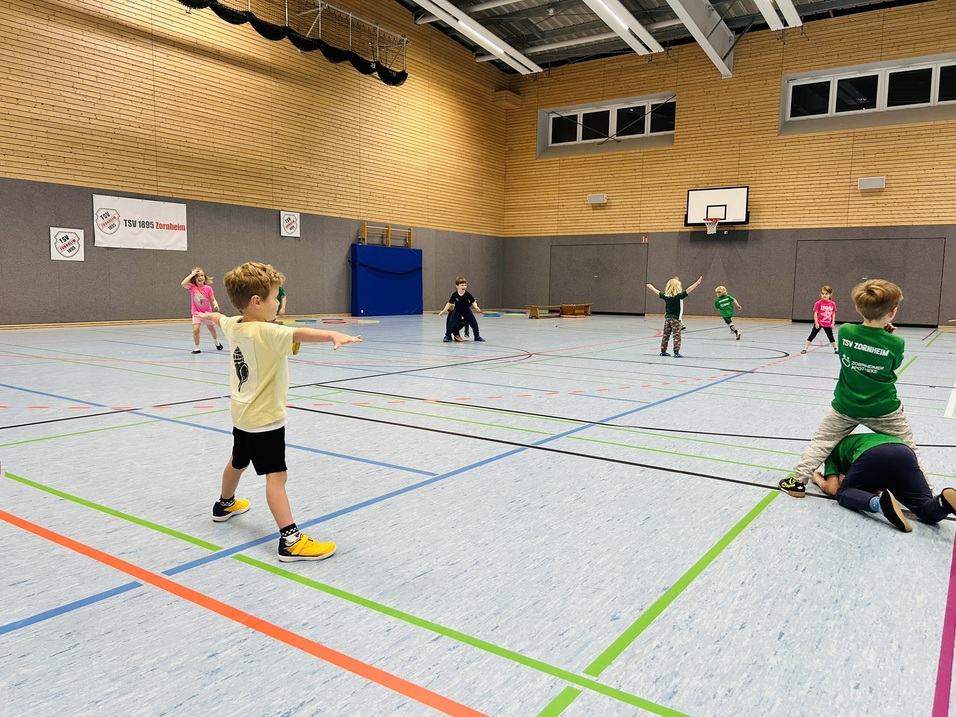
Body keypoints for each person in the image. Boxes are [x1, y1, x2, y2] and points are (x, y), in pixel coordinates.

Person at [196, 261, 362, 562]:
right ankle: (290, 540)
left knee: (238, 459)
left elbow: (221, 318)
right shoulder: (265, 332)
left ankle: (224, 504)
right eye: (275, 298)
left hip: (241, 413)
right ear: (257, 302)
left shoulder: (235, 324)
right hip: (265, 419)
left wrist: (211, 314)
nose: (278, 303)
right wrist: (332, 336)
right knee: (276, 476)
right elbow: (298, 334)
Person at [780, 279, 926, 497]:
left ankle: (798, 481)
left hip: (845, 405)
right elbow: (892, 364)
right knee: (909, 449)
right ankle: (927, 494)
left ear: (858, 308)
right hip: (883, 409)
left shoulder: (846, 331)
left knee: (822, 442)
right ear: (893, 312)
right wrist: (886, 337)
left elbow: (862, 340)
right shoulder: (896, 344)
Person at [810, 433, 956, 532]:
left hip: (872, 455)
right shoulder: (860, 438)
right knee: (924, 509)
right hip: (903, 452)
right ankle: (942, 503)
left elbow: (833, 489)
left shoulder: (832, 450)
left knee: (843, 493)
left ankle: (879, 504)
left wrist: (818, 479)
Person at [646, 275, 703, 358]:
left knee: (666, 335)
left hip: (667, 319)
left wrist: (651, 287)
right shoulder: (679, 296)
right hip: (676, 319)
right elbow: (688, 290)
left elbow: (657, 292)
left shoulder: (666, 296)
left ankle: (663, 351)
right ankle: (676, 352)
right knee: (677, 336)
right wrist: (697, 283)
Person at [181, 267, 223, 354]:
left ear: (204, 277)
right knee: (196, 329)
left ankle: (217, 342)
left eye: (202, 275)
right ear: (194, 279)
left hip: (207, 313)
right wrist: (192, 274)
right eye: (197, 276)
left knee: (211, 328)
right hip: (196, 313)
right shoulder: (192, 287)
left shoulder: (208, 288)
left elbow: (213, 299)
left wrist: (215, 303)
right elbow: (183, 283)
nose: (200, 277)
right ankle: (197, 347)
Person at [439, 277, 484, 343]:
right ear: (457, 286)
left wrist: (476, 307)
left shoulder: (467, 294)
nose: (464, 286)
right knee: (451, 324)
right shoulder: (454, 295)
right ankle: (447, 336)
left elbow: (473, 301)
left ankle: (477, 336)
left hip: (467, 312)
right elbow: (449, 303)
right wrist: (443, 310)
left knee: (474, 324)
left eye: (465, 285)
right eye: (462, 285)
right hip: (457, 312)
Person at [802, 285, 838, 354]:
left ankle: (835, 348)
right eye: (823, 293)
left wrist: (832, 322)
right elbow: (816, 313)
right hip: (819, 323)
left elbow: (833, 313)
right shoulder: (818, 303)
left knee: (830, 336)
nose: (824, 295)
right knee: (812, 335)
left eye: (826, 294)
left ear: (830, 294)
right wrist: (816, 322)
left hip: (827, 324)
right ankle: (805, 348)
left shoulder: (832, 304)